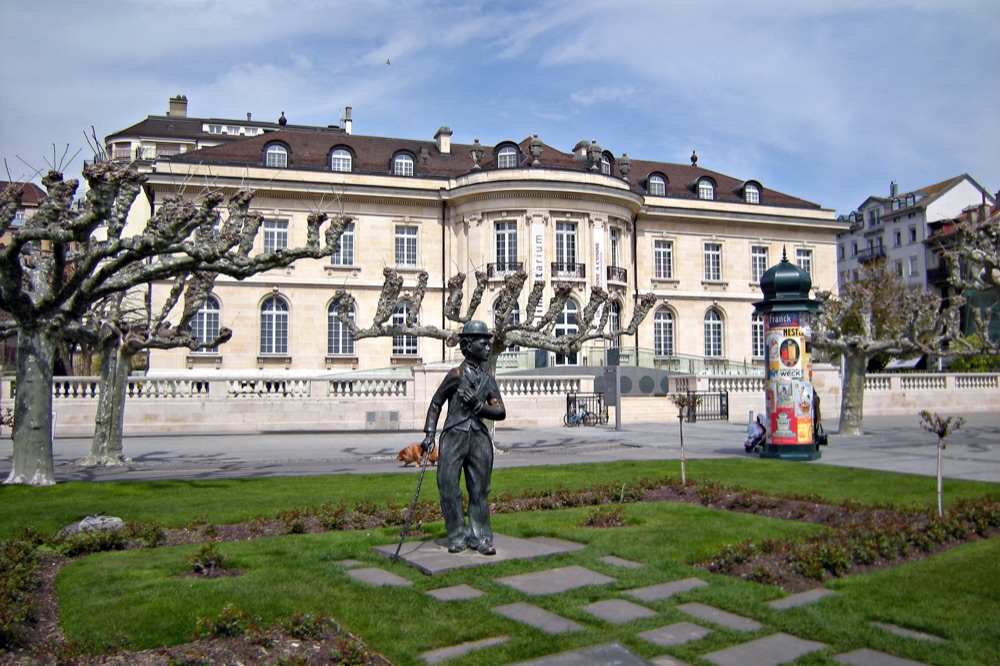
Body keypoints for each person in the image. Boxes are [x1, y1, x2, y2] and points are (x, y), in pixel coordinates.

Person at [420, 320, 506, 555]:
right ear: (468, 345)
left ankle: (481, 537)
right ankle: (457, 535)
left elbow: (500, 412)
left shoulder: (488, 380)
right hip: (454, 436)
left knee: (479, 490)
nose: (488, 347)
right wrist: (429, 435)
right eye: (483, 343)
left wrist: (479, 406)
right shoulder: (456, 375)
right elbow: (436, 403)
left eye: (489, 343)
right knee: (448, 488)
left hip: (478, 438)